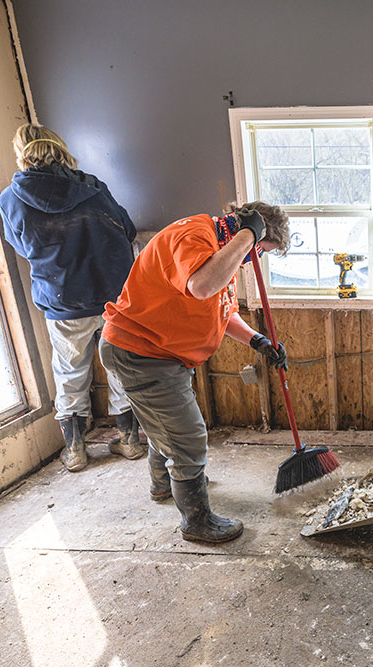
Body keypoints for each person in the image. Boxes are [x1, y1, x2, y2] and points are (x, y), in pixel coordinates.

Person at [99, 203, 290, 544]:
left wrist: (258, 341)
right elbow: (202, 286)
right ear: (251, 231)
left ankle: (163, 484)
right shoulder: (194, 236)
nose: (255, 259)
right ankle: (196, 521)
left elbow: (221, 308)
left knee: (168, 425)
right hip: (142, 352)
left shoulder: (221, 249)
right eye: (261, 250)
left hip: (162, 353)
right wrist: (248, 237)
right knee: (188, 437)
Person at [0, 124, 143, 472]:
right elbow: (128, 230)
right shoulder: (92, 188)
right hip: (114, 297)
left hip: (62, 299)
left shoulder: (11, 200)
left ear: (23, 153)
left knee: (69, 373)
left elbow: (20, 247)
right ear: (60, 148)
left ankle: (76, 452)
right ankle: (130, 441)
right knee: (120, 367)